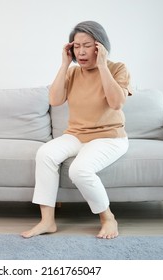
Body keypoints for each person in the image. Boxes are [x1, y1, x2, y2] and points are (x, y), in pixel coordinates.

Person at [21, 21, 132, 239]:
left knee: (79, 170)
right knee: (45, 154)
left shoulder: (117, 68)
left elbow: (116, 103)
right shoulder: (72, 73)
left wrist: (102, 66)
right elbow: (54, 100)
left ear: (100, 47)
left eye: (87, 45)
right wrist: (64, 65)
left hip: (109, 137)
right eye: (76, 46)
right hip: (76, 135)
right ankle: (47, 221)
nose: (80, 51)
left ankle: (108, 218)